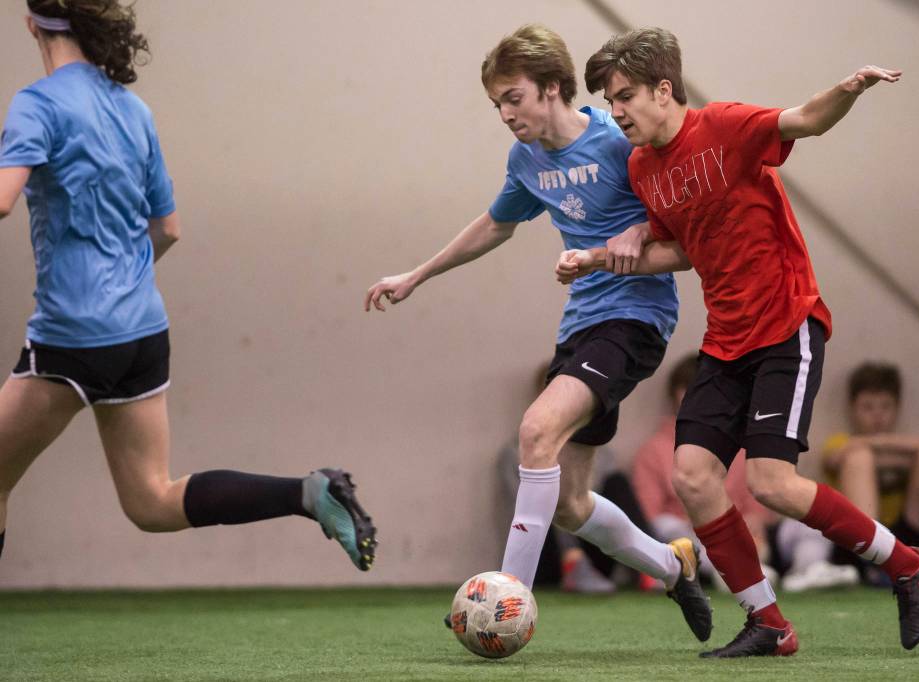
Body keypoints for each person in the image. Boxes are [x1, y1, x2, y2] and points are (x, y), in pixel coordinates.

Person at [558, 27, 919, 656]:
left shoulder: (726, 126)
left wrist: (848, 88)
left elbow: (805, 121)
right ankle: (770, 624)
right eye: (608, 97)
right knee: (693, 475)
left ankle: (908, 564)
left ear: (663, 88)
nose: (615, 110)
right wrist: (598, 258)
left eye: (623, 95)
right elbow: (679, 249)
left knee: (771, 482)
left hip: (788, 324)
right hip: (725, 337)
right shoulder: (641, 166)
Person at [0, 0, 376, 573]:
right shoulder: (133, 109)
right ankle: (307, 493)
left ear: (32, 25)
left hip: (73, 333)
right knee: (151, 499)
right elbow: (169, 229)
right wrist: (121, 279)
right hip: (142, 330)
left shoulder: (36, 105)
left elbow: (3, 199)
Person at [364, 24, 711, 641]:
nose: (503, 113)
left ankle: (506, 602)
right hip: (581, 324)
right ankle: (672, 564)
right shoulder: (526, 160)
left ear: (553, 88)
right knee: (572, 504)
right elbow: (496, 224)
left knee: (535, 429)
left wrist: (633, 237)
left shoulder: (618, 142)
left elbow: (679, 232)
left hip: (634, 320)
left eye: (513, 97)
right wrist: (417, 274)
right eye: (496, 103)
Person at [634, 353, 855, 592]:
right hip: (694, 537)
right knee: (669, 527)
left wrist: (754, 521)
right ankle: (729, 571)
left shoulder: (737, 443)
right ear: (675, 394)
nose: (699, 400)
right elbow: (650, 517)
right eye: (690, 390)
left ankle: (810, 568)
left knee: (803, 517)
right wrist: (698, 524)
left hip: (748, 535)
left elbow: (761, 489)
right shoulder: (653, 450)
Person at [498, 364, 657, 593]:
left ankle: (647, 563)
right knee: (544, 495)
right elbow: (525, 514)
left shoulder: (596, 449)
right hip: (546, 554)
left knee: (615, 482)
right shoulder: (514, 454)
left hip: (590, 543)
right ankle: (573, 562)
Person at [822, 362, 919, 587]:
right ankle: (873, 560)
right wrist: (879, 450)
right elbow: (834, 458)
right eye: (868, 407)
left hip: (906, 534)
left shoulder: (908, 447)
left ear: (897, 408)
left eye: (885, 407)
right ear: (852, 409)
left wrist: (877, 442)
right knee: (859, 458)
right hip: (858, 543)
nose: (877, 416)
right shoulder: (844, 444)